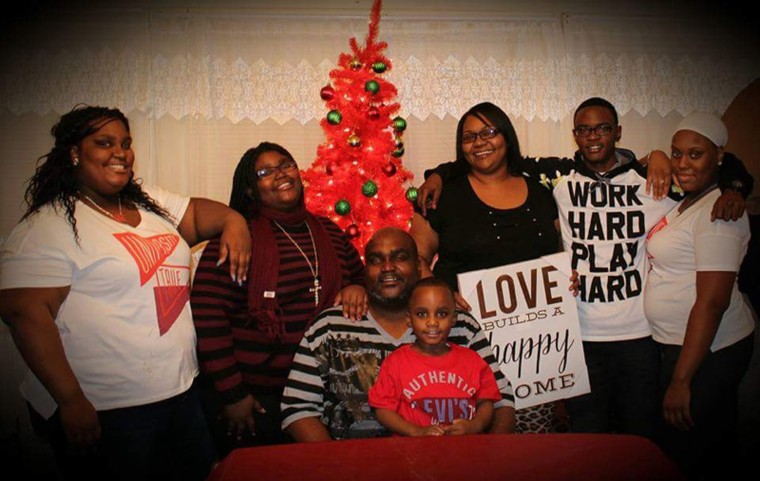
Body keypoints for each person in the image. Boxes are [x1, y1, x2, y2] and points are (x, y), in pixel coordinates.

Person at [415, 97, 753, 441]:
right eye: (584, 130)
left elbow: (709, 163)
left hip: (640, 336)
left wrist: (735, 187)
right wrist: (438, 175)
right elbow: (486, 157)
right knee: (587, 435)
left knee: (641, 435)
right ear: (575, 135)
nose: (593, 137)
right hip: (579, 335)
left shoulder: (652, 178)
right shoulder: (556, 177)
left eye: (603, 128)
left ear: (617, 132)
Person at [0, 104, 252, 481]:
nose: (120, 152)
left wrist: (235, 222)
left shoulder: (146, 200)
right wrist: (70, 400)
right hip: (106, 408)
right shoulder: (48, 224)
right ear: (74, 152)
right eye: (104, 143)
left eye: (125, 142)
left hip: (180, 392)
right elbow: (24, 314)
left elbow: (199, 216)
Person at [189, 142, 367, 455]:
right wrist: (232, 394)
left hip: (322, 392)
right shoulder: (238, 238)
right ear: (250, 189)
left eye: (285, 165)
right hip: (258, 398)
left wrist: (358, 287)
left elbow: (363, 277)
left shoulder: (328, 230)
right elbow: (207, 315)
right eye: (265, 172)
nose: (280, 174)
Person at [409, 102, 562, 434]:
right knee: (466, 442)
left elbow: (557, 256)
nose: (479, 142)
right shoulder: (442, 195)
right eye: (468, 137)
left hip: (533, 349)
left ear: (506, 136)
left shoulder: (539, 192)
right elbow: (415, 258)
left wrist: (566, 280)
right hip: (464, 342)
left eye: (489, 132)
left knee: (528, 449)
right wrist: (440, 292)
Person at [280, 226, 515, 442]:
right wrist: (339, 467)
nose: (388, 267)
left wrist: (488, 459)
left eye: (400, 257)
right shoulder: (329, 327)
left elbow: (501, 399)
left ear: (420, 267)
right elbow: (298, 408)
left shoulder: (459, 324)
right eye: (375, 260)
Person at [644, 113, 755, 480]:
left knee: (691, 451)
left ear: (719, 157)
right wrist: (657, 154)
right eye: (677, 154)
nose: (682, 164)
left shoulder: (720, 211)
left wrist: (681, 381)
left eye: (695, 154)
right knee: (703, 443)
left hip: (707, 350)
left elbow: (712, 301)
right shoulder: (690, 201)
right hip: (679, 345)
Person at [368, 276, 501, 436]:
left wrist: (475, 426)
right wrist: (415, 431)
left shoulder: (472, 360)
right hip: (413, 453)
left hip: (465, 451)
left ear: (454, 319)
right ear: (409, 319)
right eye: (422, 314)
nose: (432, 322)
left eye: (442, 313)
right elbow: (382, 410)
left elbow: (486, 402)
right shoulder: (395, 362)